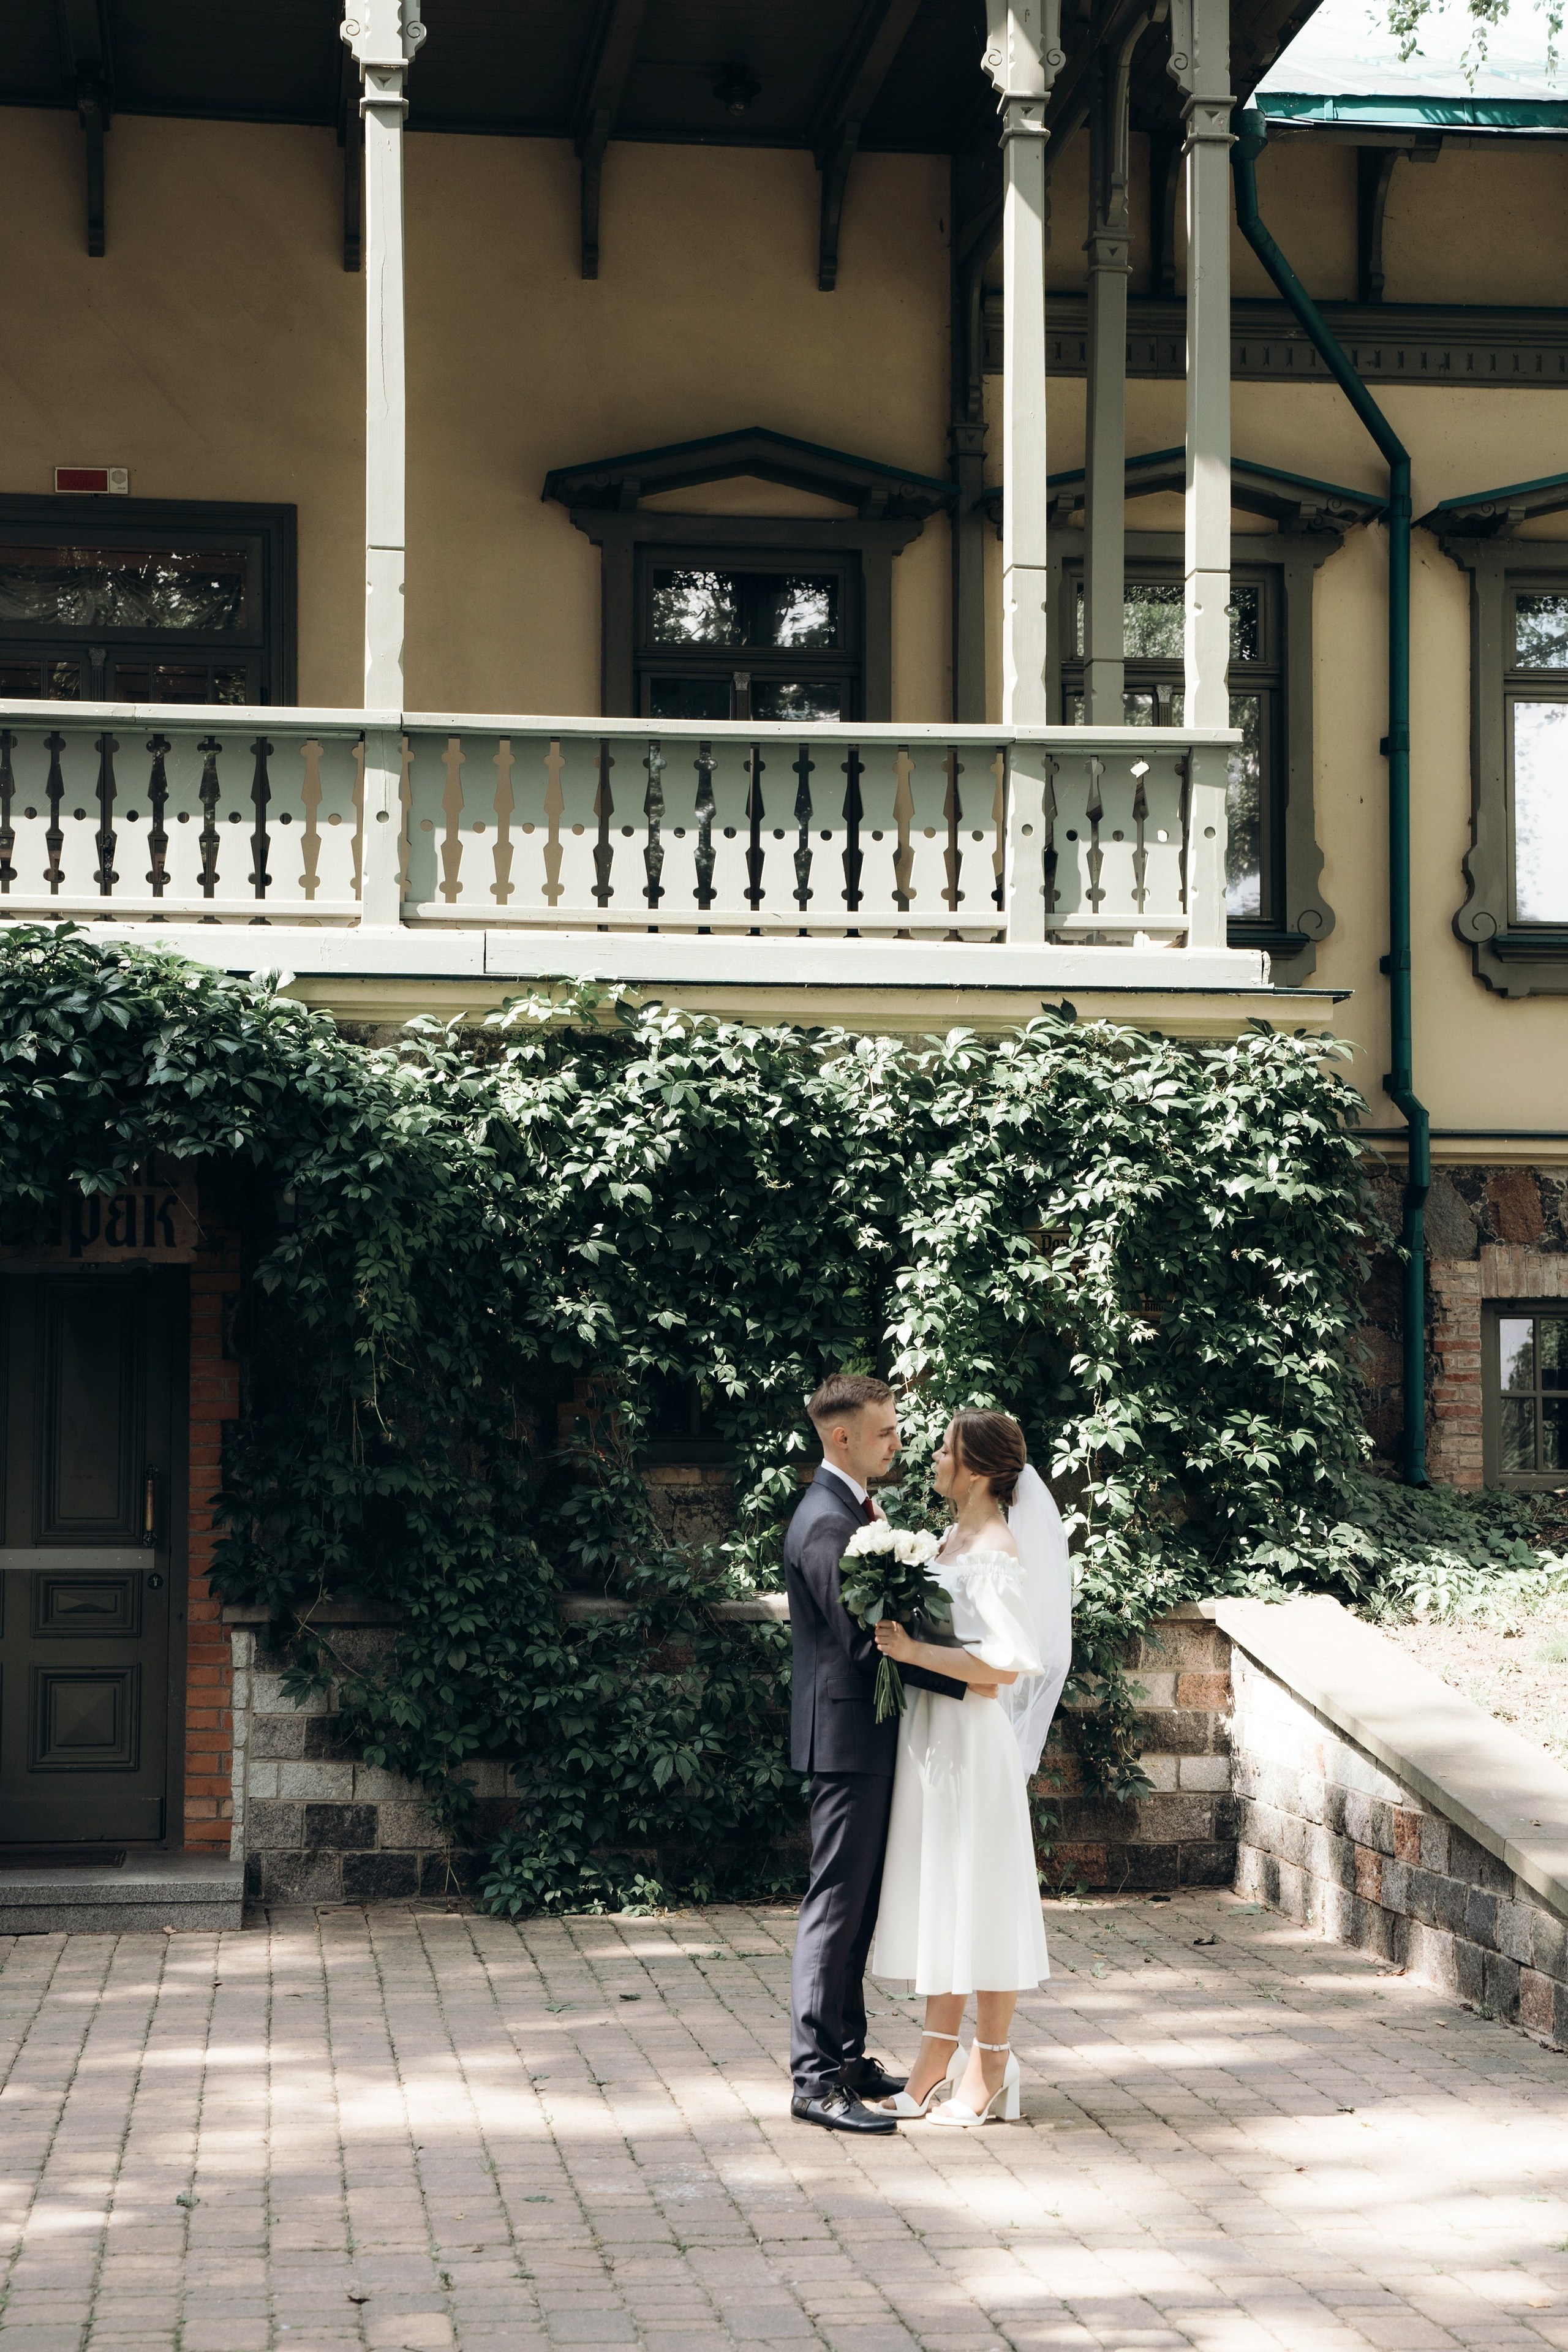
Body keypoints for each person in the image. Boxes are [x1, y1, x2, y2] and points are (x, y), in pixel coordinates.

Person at [783, 1374, 981, 2136]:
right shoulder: (828, 1524)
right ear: (841, 1437)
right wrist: (975, 1677)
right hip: (846, 1739)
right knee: (834, 1910)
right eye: (885, 1432)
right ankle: (813, 2081)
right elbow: (868, 1646)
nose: (898, 1442)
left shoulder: (853, 1509)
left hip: (866, 1736)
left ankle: (848, 2059)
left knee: (857, 1910)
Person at [867, 1409, 1073, 2127]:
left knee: (979, 1899)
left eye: (946, 1449)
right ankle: (931, 2060)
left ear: (978, 1468)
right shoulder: (951, 1538)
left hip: (971, 1742)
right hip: (932, 1737)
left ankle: (989, 2065)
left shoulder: (995, 1548)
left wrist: (914, 1653)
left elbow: (1003, 1671)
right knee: (942, 1896)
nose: (932, 1456)